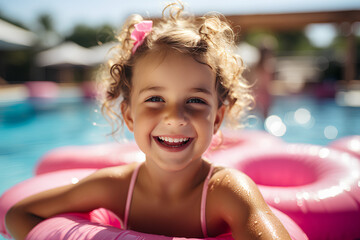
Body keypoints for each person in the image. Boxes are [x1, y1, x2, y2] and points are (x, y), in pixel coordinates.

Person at [5, 2, 291, 240]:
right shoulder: (113, 187)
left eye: (195, 100)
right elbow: (19, 215)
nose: (175, 117)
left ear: (217, 119)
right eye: (155, 99)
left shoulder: (227, 192)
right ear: (130, 116)